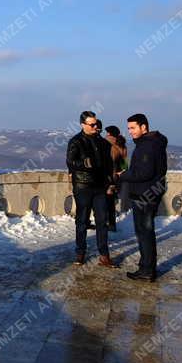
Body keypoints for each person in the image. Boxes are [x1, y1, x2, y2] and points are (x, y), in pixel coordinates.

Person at [118, 113, 168, 282]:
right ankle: (147, 268)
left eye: (133, 128)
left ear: (143, 127)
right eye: (129, 128)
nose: (130, 132)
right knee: (146, 232)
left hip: (144, 195)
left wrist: (123, 175)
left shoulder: (147, 145)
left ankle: (147, 270)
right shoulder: (154, 143)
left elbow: (144, 172)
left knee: (144, 232)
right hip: (151, 193)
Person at [66, 111, 116, 267]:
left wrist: (111, 182)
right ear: (83, 125)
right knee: (82, 221)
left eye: (96, 124)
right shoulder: (76, 141)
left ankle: (104, 255)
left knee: (102, 221)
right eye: (92, 124)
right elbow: (70, 162)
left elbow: (109, 166)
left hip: (100, 187)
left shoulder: (104, 143)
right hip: (83, 187)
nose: (96, 127)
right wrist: (84, 163)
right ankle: (80, 253)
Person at [103, 125, 128, 233]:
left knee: (103, 201)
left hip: (106, 177)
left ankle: (105, 223)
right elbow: (124, 163)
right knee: (111, 202)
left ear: (109, 133)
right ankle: (112, 224)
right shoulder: (122, 145)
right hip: (116, 178)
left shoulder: (106, 143)